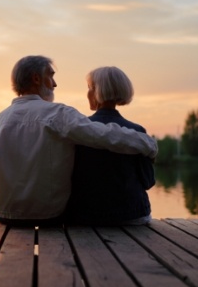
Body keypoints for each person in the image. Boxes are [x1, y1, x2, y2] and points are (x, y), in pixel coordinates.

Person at [0, 55, 158, 226]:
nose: (54, 84)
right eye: (51, 76)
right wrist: (147, 143)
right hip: (48, 216)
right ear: (36, 78)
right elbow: (104, 135)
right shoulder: (57, 113)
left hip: (3, 214)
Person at [66, 66, 155, 226]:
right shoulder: (136, 131)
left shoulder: (79, 130)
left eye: (89, 88)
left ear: (96, 92)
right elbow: (148, 181)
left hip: (86, 216)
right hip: (132, 215)